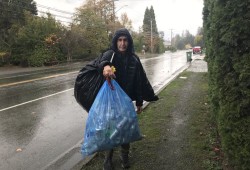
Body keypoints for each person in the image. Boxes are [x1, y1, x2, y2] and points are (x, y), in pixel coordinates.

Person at [98, 28, 158, 170]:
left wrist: (139, 102)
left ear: (129, 42)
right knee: (111, 129)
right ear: (116, 41)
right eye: (120, 40)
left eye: (125, 40)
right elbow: (102, 61)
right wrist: (105, 66)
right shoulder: (110, 55)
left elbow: (139, 82)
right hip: (111, 102)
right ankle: (108, 158)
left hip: (126, 103)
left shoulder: (134, 59)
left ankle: (124, 155)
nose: (122, 43)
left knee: (126, 129)